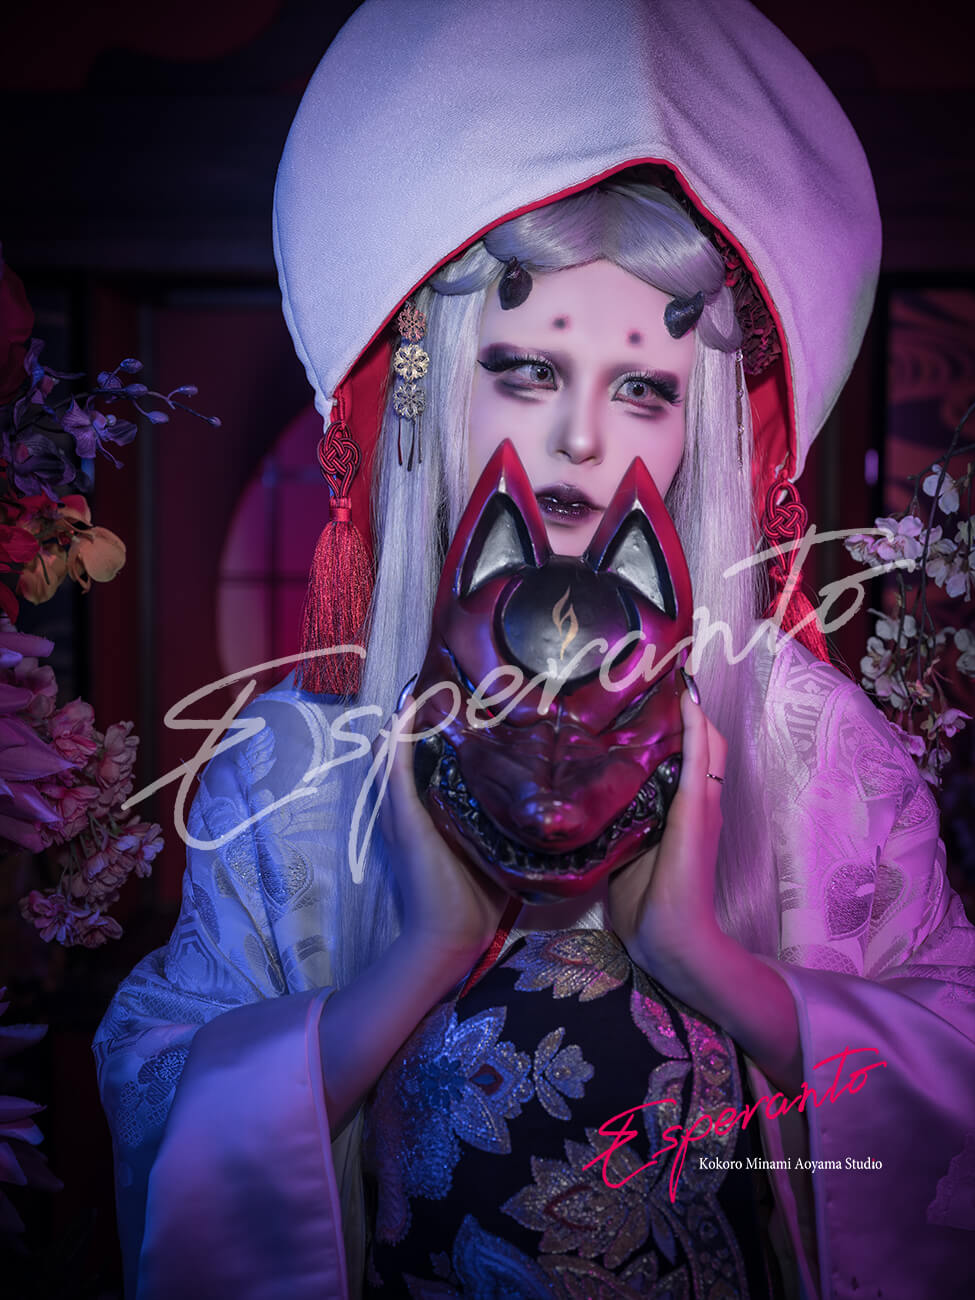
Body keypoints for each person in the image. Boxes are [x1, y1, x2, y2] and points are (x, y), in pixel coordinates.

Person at [94, 2, 975, 1297]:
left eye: (643, 388)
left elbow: (957, 1075)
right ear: (427, 386)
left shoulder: (814, 745)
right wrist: (412, 967)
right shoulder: (293, 763)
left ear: (701, 426)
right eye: (524, 370)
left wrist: (711, 966)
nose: (581, 440)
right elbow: (162, 1097)